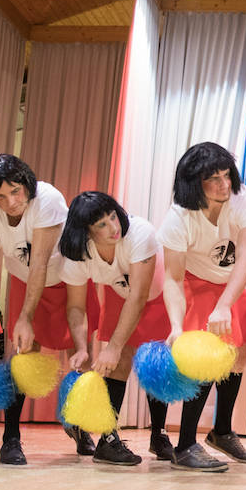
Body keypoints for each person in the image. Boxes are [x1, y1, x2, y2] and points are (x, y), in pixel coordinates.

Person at [0, 154, 99, 464]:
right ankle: (11, 438)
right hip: (25, 282)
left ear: (26, 184)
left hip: (68, 281)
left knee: (80, 356)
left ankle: (80, 426)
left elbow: (40, 262)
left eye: (15, 191)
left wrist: (26, 316)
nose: (11, 202)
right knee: (22, 357)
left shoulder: (47, 199)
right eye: (0, 196)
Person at [156, 143, 246, 468]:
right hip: (195, 282)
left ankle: (222, 432)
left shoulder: (245, 202)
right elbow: (172, 278)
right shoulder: (178, 218)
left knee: (238, 356)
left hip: (230, 284)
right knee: (205, 358)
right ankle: (185, 445)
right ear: (194, 182)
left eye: (226, 175)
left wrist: (225, 304)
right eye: (213, 179)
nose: (224, 184)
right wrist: (177, 326)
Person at [58, 191, 172, 468]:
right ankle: (108, 440)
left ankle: (159, 434)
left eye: (112, 217)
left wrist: (114, 346)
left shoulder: (140, 232)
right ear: (85, 231)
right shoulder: (77, 254)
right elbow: (76, 306)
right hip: (118, 293)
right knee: (117, 364)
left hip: (154, 295)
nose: (113, 227)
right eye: (102, 224)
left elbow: (139, 296)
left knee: (156, 362)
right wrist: (82, 347)